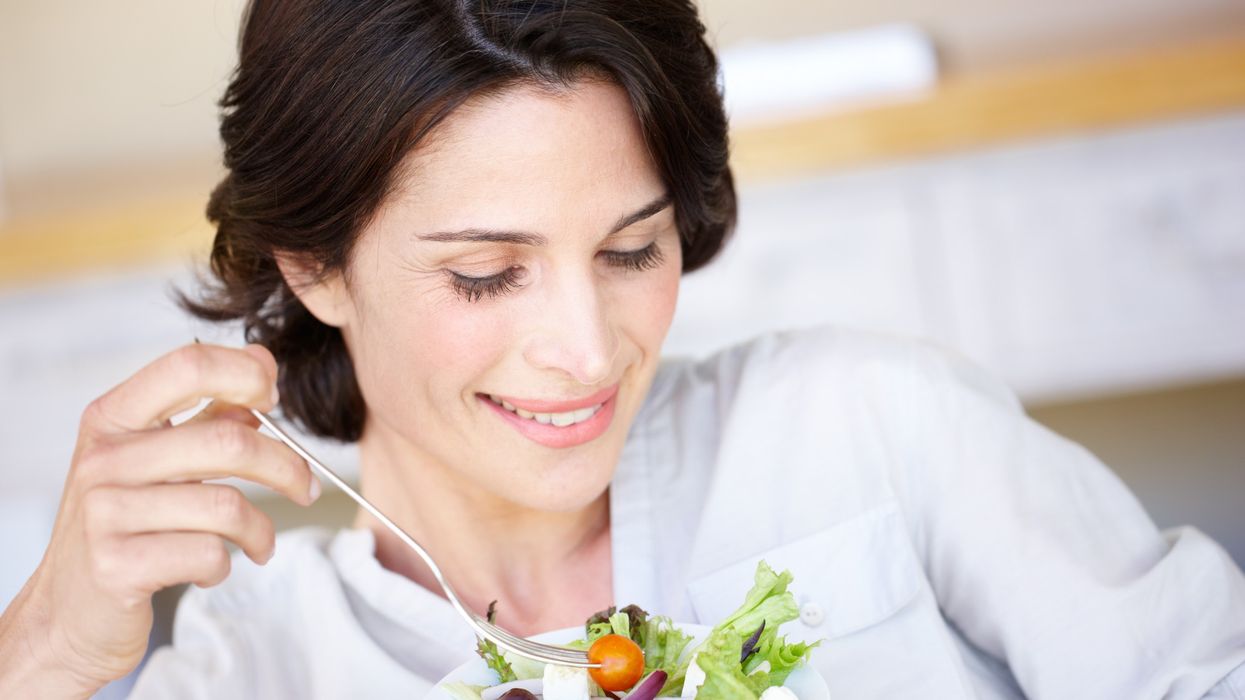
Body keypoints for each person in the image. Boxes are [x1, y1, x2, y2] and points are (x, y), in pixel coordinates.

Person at [2, 0, 1244, 697]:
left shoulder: (873, 427)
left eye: (631, 250)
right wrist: (44, 655)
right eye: (487, 273)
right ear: (313, 265)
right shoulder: (258, 666)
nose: (587, 350)